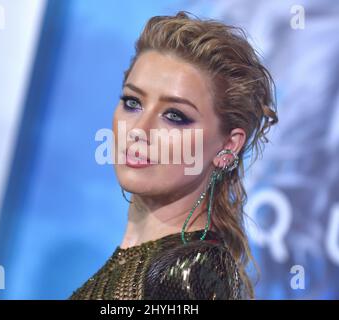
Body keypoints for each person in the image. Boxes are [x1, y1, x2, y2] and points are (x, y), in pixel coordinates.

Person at [70, 10, 278, 300]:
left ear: (228, 146)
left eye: (175, 116)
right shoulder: (159, 263)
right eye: (132, 102)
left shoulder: (189, 275)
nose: (139, 130)